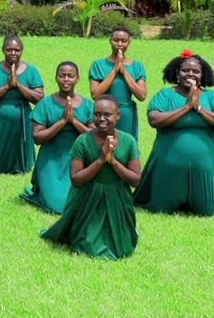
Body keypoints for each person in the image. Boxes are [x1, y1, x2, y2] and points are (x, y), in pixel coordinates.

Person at [41, 95, 142, 260]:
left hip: (117, 198)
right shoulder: (83, 141)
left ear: (118, 116)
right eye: (97, 114)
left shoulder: (129, 141)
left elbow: (135, 179)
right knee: (87, 245)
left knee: (122, 248)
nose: (101, 119)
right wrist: (101, 160)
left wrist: (113, 162)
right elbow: (76, 179)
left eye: (107, 115)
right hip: (89, 198)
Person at [135, 51, 214, 216]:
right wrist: (187, 107)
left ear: (203, 75)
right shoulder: (165, 95)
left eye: (196, 71)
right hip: (169, 161)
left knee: (207, 211)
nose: (190, 74)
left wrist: (199, 108)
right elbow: (155, 120)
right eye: (185, 70)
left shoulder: (212, 97)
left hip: (204, 162)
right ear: (177, 73)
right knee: (161, 209)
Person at [21, 62, 94, 215]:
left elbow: (94, 138)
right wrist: (62, 122)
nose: (66, 79)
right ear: (56, 77)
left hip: (78, 160)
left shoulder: (88, 105)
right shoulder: (45, 104)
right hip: (51, 160)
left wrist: (74, 121)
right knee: (58, 206)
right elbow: (37, 137)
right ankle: (43, 190)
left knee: (79, 203)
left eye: (70, 76)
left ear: (77, 79)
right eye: (62, 75)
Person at [0, 35, 45, 174]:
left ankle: (19, 168)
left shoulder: (32, 71)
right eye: (9, 50)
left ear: (22, 51)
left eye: (16, 50)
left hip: (22, 120)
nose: (13, 53)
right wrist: (7, 86)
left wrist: (19, 85)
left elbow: (39, 98)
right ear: (3, 50)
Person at [89, 26, 148, 143]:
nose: (119, 44)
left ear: (129, 43)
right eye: (116, 40)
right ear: (110, 41)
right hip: (103, 114)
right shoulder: (98, 65)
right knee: (102, 145)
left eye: (124, 41)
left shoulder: (137, 66)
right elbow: (95, 94)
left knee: (125, 146)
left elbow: (142, 95)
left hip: (127, 114)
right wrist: (115, 71)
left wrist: (124, 71)